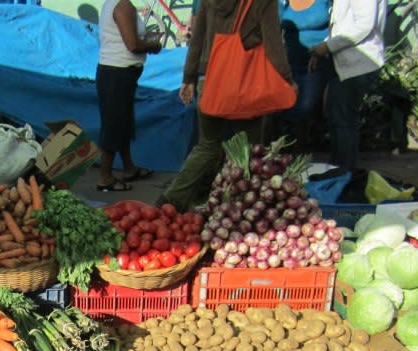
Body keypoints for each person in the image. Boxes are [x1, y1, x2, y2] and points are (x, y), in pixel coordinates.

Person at [158, 0, 295, 212]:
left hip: (209, 79)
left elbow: (197, 37)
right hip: (246, 83)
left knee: (207, 146)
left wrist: (189, 77)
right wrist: (287, 79)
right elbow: (273, 44)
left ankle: (171, 200)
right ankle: (240, 207)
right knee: (248, 149)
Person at [309, 0, 387, 170]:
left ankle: (343, 173)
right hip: (346, 63)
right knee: (336, 117)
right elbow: (340, 24)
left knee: (343, 120)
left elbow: (364, 25)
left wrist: (328, 46)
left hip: (359, 64)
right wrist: (323, 49)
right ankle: (338, 170)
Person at [95, 0, 162, 192]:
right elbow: (132, 45)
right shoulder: (122, 6)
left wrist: (146, 37)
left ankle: (129, 167)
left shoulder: (115, 3)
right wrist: (153, 45)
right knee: (114, 124)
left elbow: (128, 36)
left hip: (119, 72)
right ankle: (105, 177)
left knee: (122, 121)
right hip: (117, 72)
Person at [278, 0, 333, 149]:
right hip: (290, 65)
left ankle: (309, 145)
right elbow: (274, 30)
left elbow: (337, 24)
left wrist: (326, 48)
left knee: (306, 107)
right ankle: (299, 152)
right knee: (290, 110)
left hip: (317, 62)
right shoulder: (283, 3)